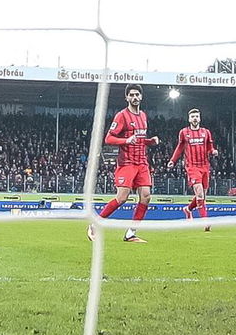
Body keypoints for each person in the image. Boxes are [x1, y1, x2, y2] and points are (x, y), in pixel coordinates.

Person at [91, 85, 156, 243]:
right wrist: (126, 140)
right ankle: (95, 224)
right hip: (126, 163)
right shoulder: (122, 116)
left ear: (141, 97)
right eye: (131, 95)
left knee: (146, 197)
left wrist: (149, 141)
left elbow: (139, 140)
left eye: (137, 94)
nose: (134, 97)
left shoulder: (143, 116)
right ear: (126, 98)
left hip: (142, 163)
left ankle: (130, 233)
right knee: (122, 198)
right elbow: (109, 138)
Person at [169, 107, 217, 231]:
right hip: (192, 167)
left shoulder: (206, 132)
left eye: (197, 116)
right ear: (189, 119)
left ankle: (188, 209)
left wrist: (213, 151)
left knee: (202, 196)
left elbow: (209, 148)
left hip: (205, 167)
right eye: (192, 116)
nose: (195, 118)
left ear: (200, 118)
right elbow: (179, 148)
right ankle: (205, 222)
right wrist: (172, 161)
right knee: (200, 193)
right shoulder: (184, 132)